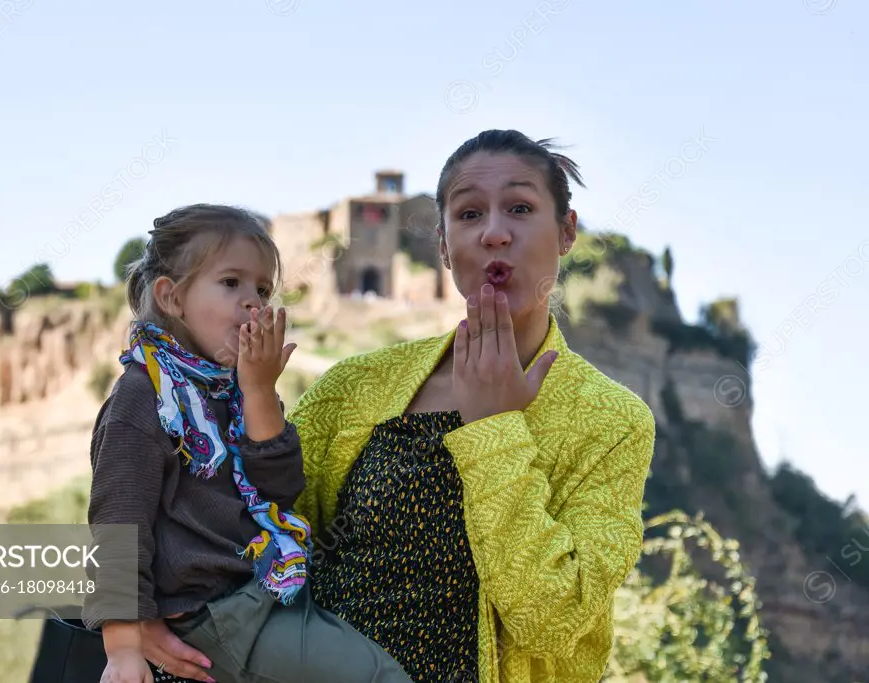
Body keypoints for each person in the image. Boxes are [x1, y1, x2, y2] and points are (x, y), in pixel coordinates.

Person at [137, 131, 657, 683]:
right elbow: (209, 503)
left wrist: (495, 427)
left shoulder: (611, 421)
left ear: (567, 231)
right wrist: (122, 609)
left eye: (521, 208)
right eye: (470, 214)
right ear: (442, 245)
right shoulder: (357, 386)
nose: (495, 233)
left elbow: (554, 620)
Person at [81, 204, 413, 683]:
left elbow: (280, 491)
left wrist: (259, 392)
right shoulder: (143, 394)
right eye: (231, 283)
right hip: (215, 613)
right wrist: (124, 649)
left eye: (261, 289)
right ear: (172, 298)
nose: (253, 302)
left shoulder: (235, 389)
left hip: (267, 591)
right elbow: (116, 522)